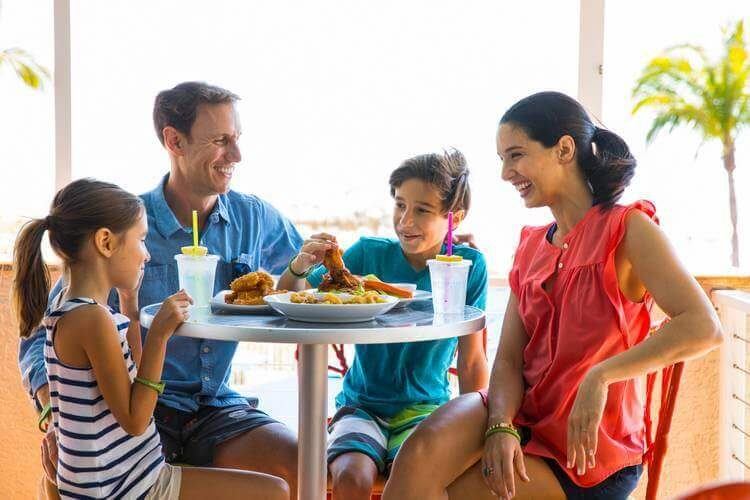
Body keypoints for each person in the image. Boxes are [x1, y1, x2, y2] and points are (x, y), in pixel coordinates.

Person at [382, 91, 723, 500]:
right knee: (417, 455)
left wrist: (602, 374)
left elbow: (703, 326)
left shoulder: (629, 229)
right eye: (502, 160)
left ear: (564, 149)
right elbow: (508, 358)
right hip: (524, 413)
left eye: (516, 155)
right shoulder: (530, 246)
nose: (506, 173)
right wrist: (501, 424)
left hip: (589, 456)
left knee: (454, 492)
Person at [18, 82, 332, 498]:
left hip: (214, 408)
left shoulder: (253, 217)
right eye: (221, 141)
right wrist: (55, 417)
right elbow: (40, 339)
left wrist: (313, 268)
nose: (236, 156)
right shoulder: (123, 228)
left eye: (236, 140)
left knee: (308, 470)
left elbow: (301, 287)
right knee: (60, 475)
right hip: (136, 411)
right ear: (174, 140)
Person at [12, 178, 289, 499]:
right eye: (141, 240)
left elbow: (130, 381)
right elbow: (135, 418)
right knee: (275, 491)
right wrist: (158, 334)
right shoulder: (93, 320)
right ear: (105, 242)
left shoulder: (73, 311)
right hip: (129, 485)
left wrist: (130, 309)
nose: (146, 254)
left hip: (119, 478)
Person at [279, 149, 489, 499]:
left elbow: (471, 359)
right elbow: (291, 295)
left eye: (422, 210)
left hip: (427, 407)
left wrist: (476, 425)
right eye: (400, 205)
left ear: (455, 217)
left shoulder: (468, 266)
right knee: (351, 477)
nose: (406, 220)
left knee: (415, 476)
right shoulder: (367, 253)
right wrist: (300, 264)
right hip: (362, 405)